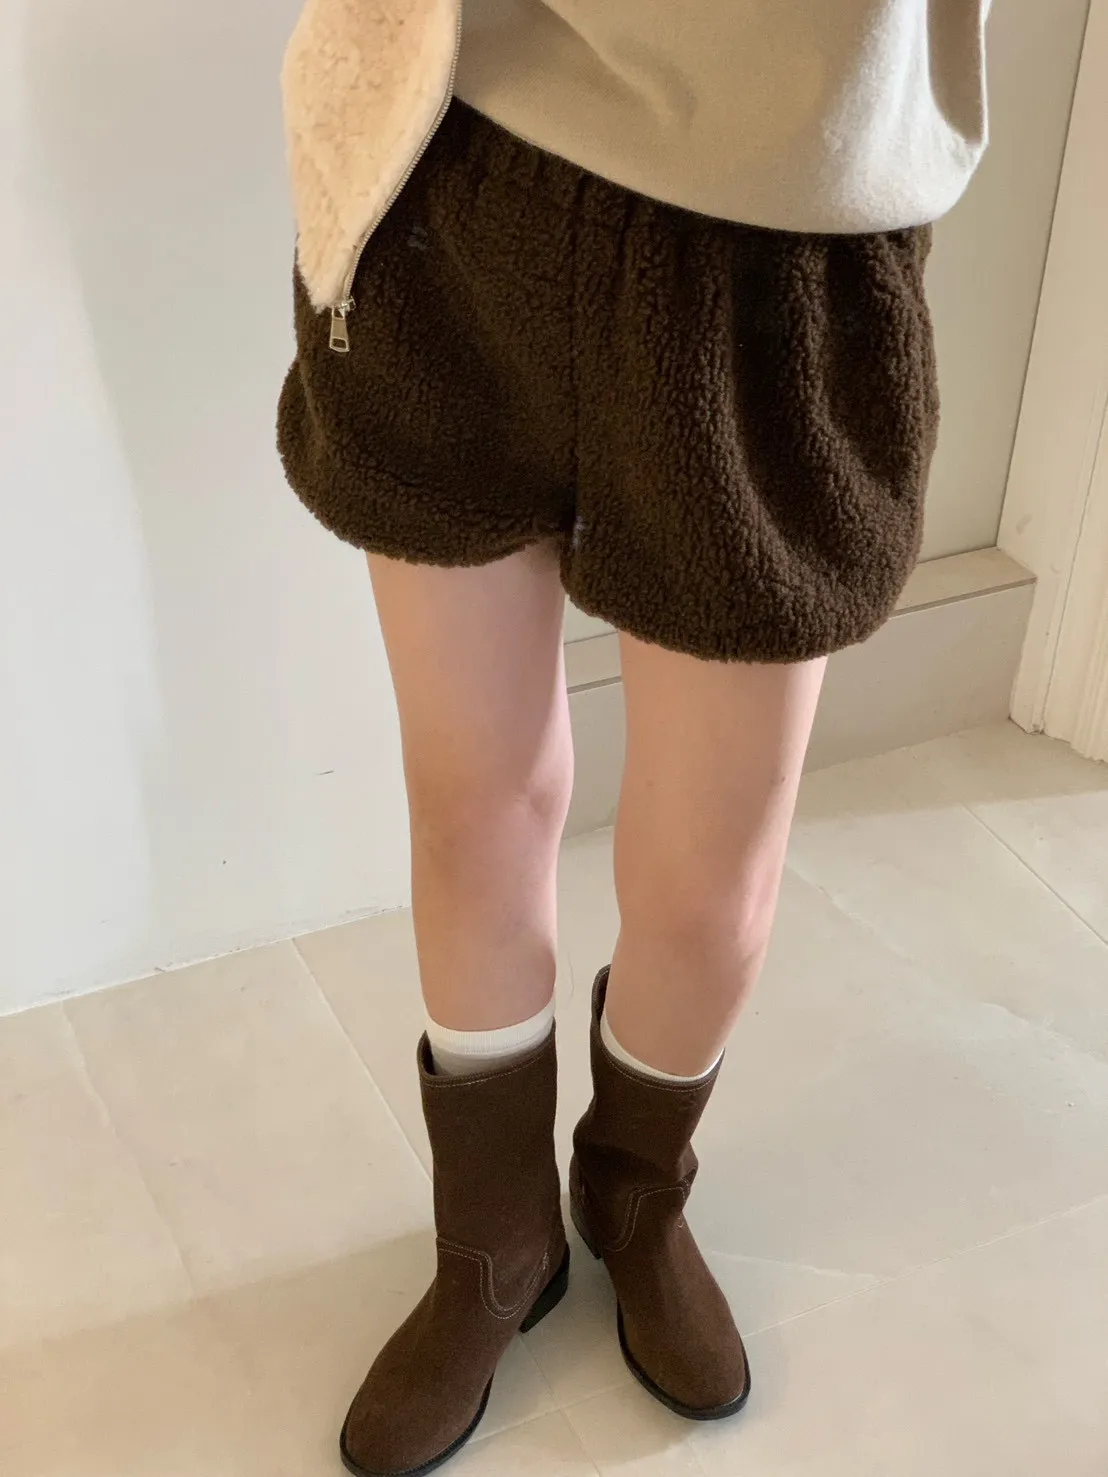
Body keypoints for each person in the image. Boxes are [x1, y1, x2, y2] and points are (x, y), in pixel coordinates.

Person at [277, 3, 991, 1473]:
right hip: (454, 164)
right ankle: (494, 1243)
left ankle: (634, 1192)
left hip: (777, 232)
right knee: (472, 799)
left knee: (712, 881)